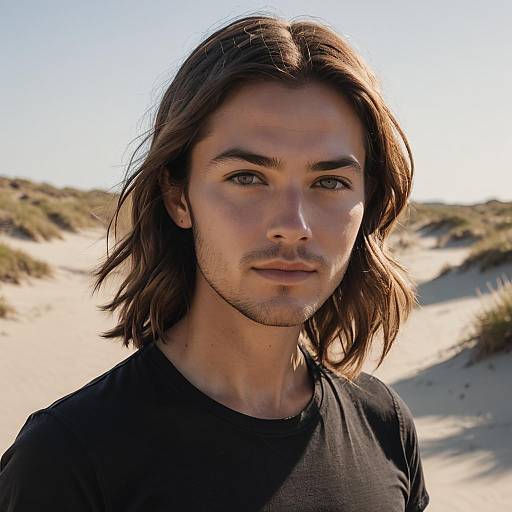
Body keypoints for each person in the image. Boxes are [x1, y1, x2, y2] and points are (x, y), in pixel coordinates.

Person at [0, 14, 430, 511]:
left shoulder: (385, 425)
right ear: (178, 197)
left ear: (366, 203)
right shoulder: (69, 458)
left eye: (329, 182)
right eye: (247, 177)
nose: (292, 224)